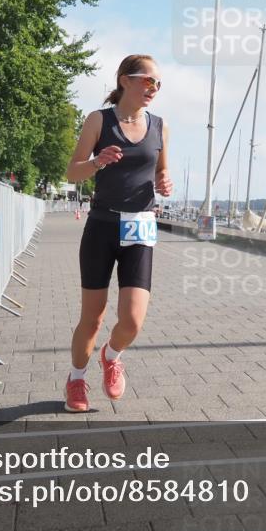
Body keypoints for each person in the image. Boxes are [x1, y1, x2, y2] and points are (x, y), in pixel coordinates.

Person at [62, 54, 172, 412]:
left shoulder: (159, 126)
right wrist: (97, 162)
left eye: (158, 83)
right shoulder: (99, 120)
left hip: (140, 225)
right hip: (102, 225)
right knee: (92, 318)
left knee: (133, 320)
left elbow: (161, 171)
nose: (154, 88)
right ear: (125, 80)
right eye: (148, 80)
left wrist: (164, 181)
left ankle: (111, 356)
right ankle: (76, 379)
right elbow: (72, 173)